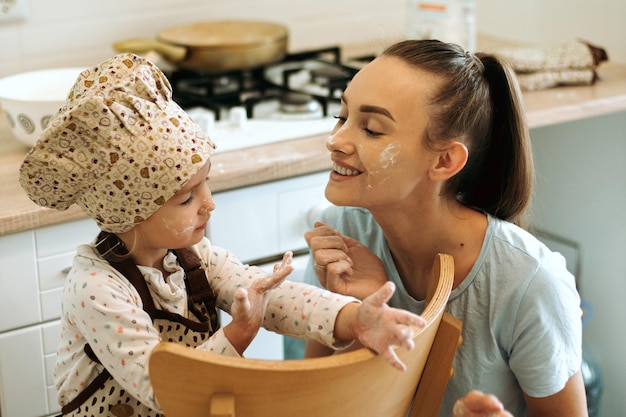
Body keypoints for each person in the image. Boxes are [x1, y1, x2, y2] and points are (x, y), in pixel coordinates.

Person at [18, 53, 426, 417]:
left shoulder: (194, 256)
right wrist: (238, 334)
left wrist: (354, 319)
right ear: (132, 212)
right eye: (186, 198)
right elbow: (162, 389)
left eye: (206, 183)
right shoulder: (96, 290)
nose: (209, 204)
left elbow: (271, 298)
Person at [302, 39, 587, 417]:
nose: (335, 141)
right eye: (342, 117)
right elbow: (317, 402)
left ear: (445, 160)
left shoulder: (530, 283)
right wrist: (365, 312)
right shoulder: (343, 231)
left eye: (371, 130)